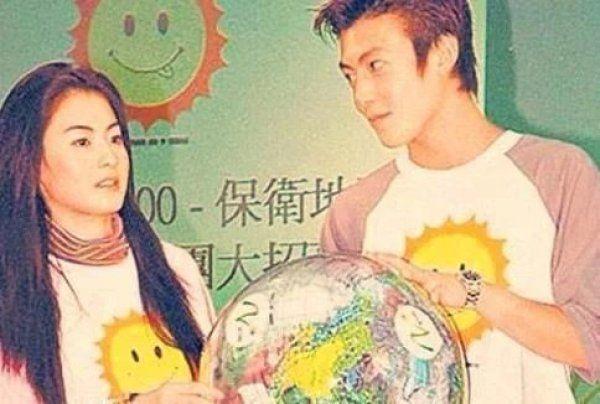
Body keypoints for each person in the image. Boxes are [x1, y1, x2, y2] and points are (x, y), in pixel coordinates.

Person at [314, 1, 599, 402]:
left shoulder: (556, 174)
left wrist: (470, 293)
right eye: (350, 75)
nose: (362, 95)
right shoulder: (354, 212)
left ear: (443, 52)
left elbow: (591, 343)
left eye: (376, 66)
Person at [0, 62, 223, 403]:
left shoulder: (175, 267)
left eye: (115, 138)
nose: (109, 157)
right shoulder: (11, 288)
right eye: (82, 142)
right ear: (29, 161)